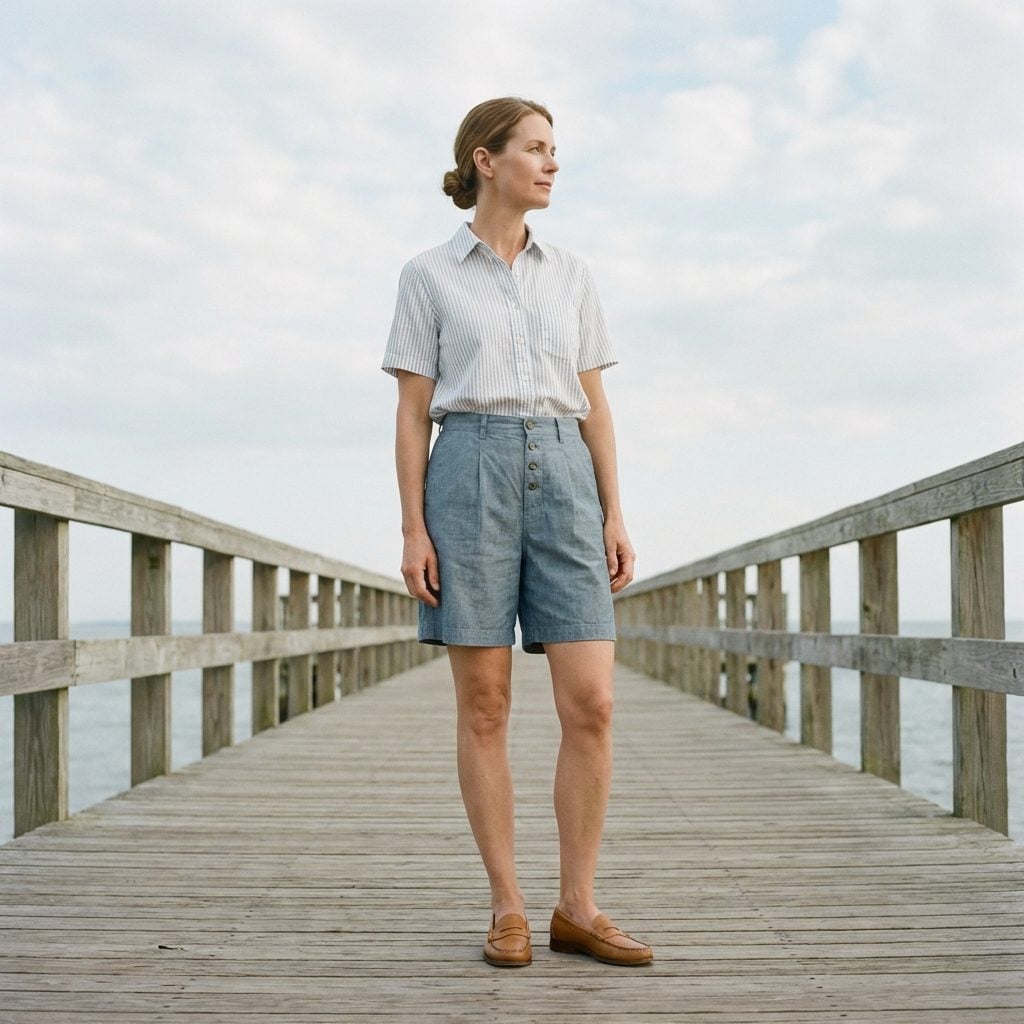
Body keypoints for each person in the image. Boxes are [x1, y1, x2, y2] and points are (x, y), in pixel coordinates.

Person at [382, 97, 652, 968]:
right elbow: (413, 411)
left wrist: (613, 509)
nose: (551, 163)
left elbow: (597, 406)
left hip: (565, 473)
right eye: (535, 148)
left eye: (555, 150)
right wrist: (413, 527)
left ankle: (579, 905)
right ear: (485, 159)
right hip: (469, 472)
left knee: (593, 703)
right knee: (486, 705)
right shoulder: (428, 275)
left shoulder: (571, 274)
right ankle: (507, 906)